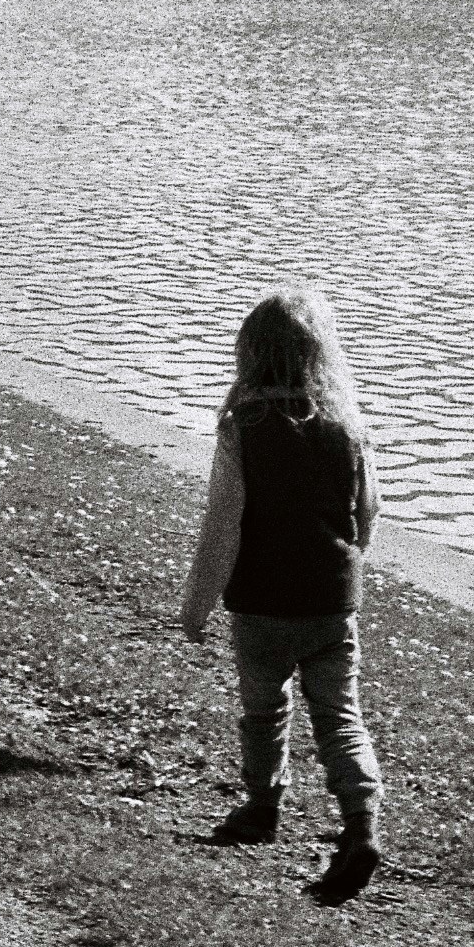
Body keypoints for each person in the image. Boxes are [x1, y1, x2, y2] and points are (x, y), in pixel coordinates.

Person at [178, 288, 384, 905]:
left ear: (249, 355)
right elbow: (367, 512)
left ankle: (262, 807)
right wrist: (346, 563)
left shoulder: (241, 428)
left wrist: (197, 603)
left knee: (264, 707)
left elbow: (224, 523)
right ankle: (360, 829)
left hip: (262, 602)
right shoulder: (349, 426)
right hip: (330, 600)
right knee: (339, 716)